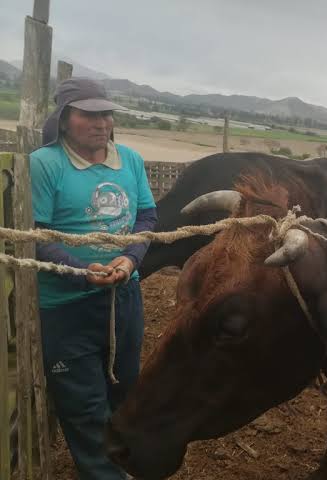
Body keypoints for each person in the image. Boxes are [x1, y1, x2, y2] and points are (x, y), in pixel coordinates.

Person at [30, 77, 157, 479]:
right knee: (84, 406)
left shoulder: (131, 160)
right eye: (88, 114)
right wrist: (81, 271)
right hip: (66, 307)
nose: (101, 122)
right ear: (64, 119)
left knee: (124, 389)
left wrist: (130, 258)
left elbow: (146, 218)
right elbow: (35, 233)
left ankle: (122, 464)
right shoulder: (45, 164)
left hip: (123, 298)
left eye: (105, 113)